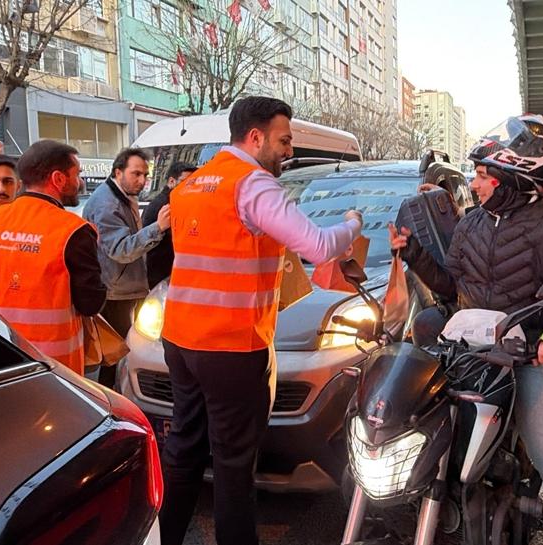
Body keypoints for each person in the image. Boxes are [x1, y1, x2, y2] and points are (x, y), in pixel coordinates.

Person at [158, 96, 363, 545]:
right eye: (284, 140)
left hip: (179, 339)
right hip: (231, 347)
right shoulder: (252, 185)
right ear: (255, 137)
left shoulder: (191, 185)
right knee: (234, 463)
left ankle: (165, 536)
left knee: (184, 448)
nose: (288, 150)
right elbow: (318, 246)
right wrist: (351, 222)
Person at [390, 114, 543, 545]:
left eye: (483, 175)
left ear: (513, 177)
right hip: (464, 353)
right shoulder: (470, 225)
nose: (476, 184)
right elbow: (453, 286)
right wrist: (414, 255)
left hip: (520, 356)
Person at [0, 140, 107, 375]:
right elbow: (90, 303)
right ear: (59, 179)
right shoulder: (72, 231)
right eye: (77, 175)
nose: (80, 182)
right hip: (49, 369)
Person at [82, 147, 171, 387]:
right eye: (136, 174)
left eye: (145, 175)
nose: (142, 181)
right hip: (114, 292)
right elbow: (121, 250)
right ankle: (112, 401)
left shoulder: (121, 196)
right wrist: (158, 227)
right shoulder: (106, 203)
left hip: (123, 288)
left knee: (118, 353)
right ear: (118, 171)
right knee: (115, 355)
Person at [142, 161, 196, 289]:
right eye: (185, 182)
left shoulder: (170, 201)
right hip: (162, 273)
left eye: (193, 182)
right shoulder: (167, 205)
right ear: (172, 181)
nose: (190, 186)